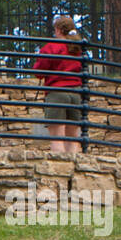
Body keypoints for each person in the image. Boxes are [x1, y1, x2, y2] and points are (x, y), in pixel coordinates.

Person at [32, 15, 84, 153]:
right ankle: (74, 167)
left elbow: (39, 72)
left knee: (57, 136)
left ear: (59, 30)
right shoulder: (78, 48)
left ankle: (59, 170)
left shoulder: (51, 47)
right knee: (73, 137)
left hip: (57, 93)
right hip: (77, 93)